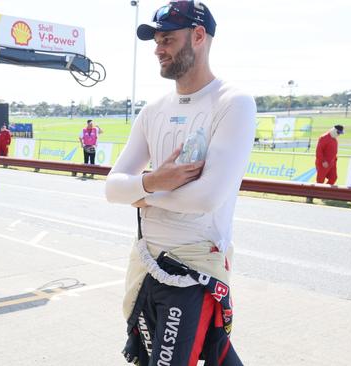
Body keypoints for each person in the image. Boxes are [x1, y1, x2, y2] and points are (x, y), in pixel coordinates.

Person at [106, 1, 255, 365]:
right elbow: (112, 188)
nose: (158, 49)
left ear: (199, 36)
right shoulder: (152, 110)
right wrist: (155, 181)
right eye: (156, 40)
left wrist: (144, 190)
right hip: (146, 264)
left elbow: (207, 197)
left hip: (194, 273)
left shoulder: (233, 103)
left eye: (167, 39)